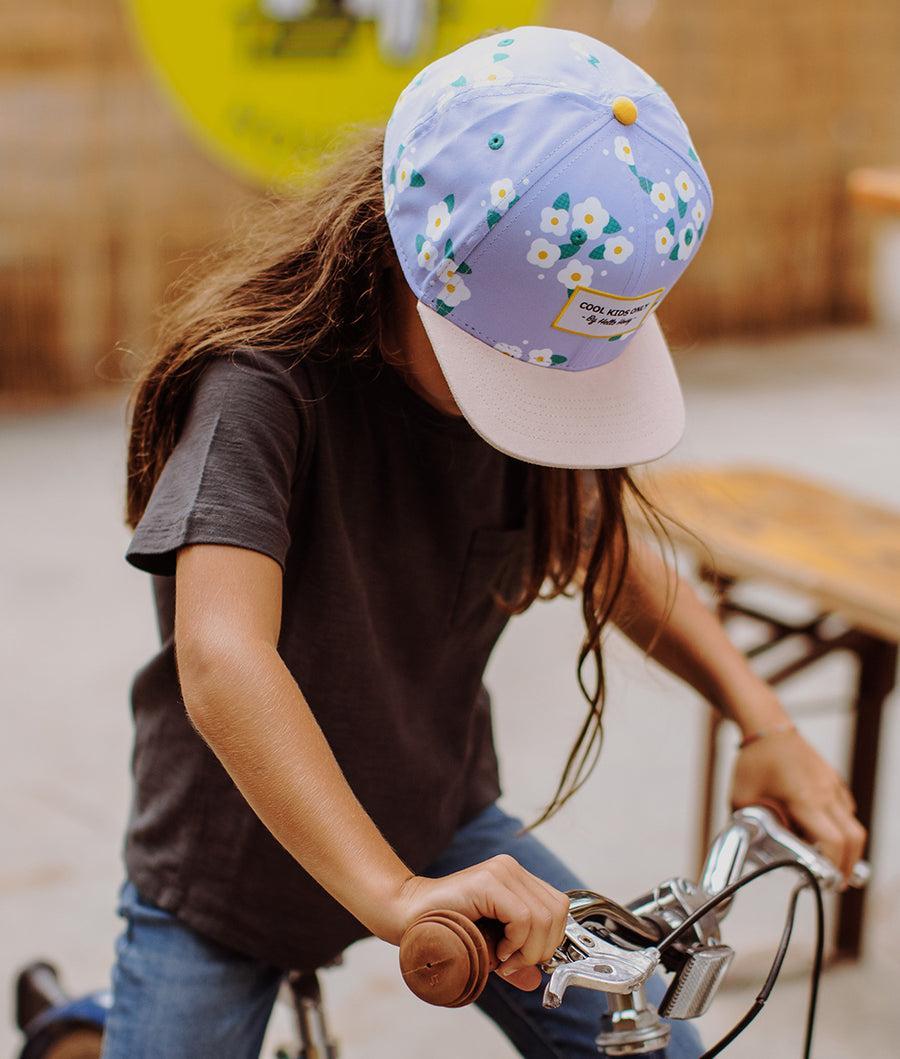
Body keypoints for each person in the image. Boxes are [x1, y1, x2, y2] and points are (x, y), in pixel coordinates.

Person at [100, 25, 866, 1059]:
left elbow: (605, 549)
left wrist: (761, 718)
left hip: (437, 811)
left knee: (660, 1049)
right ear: (412, 264)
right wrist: (395, 893)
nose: (542, 395)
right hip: (229, 855)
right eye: (518, 369)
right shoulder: (260, 389)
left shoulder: (525, 397)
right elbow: (221, 654)